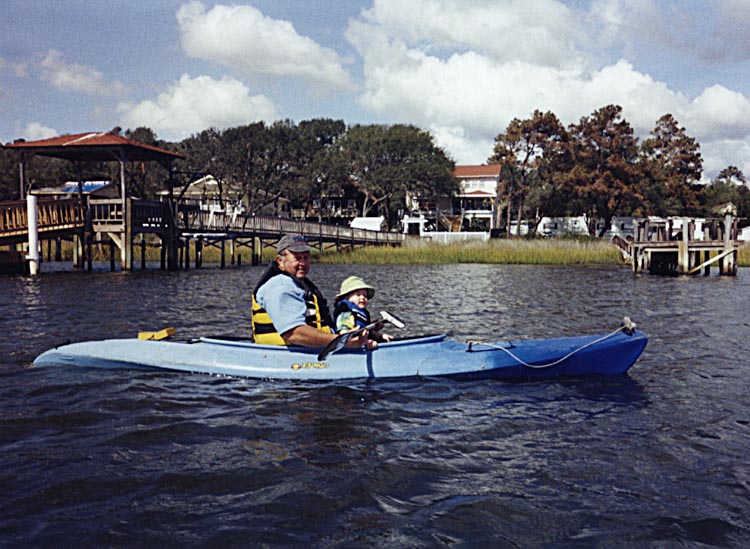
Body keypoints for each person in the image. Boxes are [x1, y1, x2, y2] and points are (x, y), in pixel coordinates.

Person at [251, 234, 373, 350]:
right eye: (297, 258)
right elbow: (294, 333)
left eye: (306, 257)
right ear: (280, 261)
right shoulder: (280, 286)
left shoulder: (298, 283)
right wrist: (340, 342)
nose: (303, 263)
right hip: (285, 357)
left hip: (311, 352)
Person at [334, 276, 393, 345]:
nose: (362, 298)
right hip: (350, 345)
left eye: (365, 295)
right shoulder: (346, 312)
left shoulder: (364, 313)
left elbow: (368, 331)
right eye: (358, 295)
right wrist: (363, 343)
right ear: (346, 297)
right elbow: (343, 332)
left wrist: (381, 336)